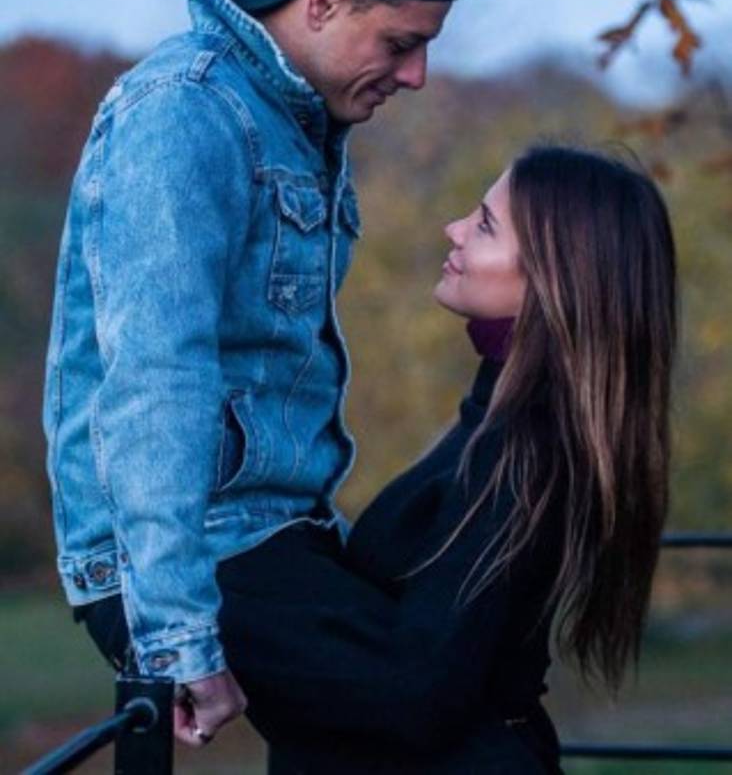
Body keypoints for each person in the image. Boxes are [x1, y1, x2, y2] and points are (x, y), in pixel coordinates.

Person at [79, 144, 677, 772]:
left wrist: (168, 604)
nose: (454, 229)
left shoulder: (528, 456)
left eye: (485, 224)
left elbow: (415, 691)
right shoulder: (508, 426)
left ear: (557, 276)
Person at [41, 0, 465, 747]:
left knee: (464, 670)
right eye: (399, 44)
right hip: (178, 554)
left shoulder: (289, 117)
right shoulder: (185, 114)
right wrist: (176, 635)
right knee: (432, 717)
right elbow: (156, 378)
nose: (416, 75)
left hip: (274, 528)